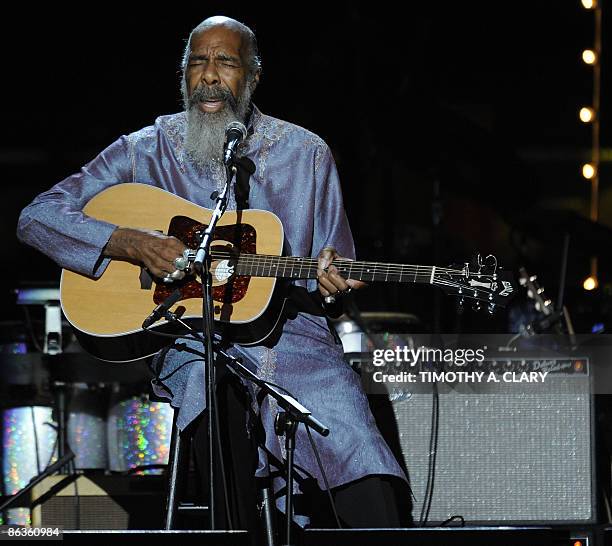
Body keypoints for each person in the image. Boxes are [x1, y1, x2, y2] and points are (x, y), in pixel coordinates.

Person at [17, 16, 409, 529]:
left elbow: (331, 268)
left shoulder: (306, 154)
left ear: (252, 77)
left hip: (292, 338)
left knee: (354, 441)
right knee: (214, 396)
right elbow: (37, 216)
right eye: (197, 62)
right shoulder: (144, 149)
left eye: (225, 62)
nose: (209, 75)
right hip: (187, 337)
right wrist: (127, 241)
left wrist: (332, 280)